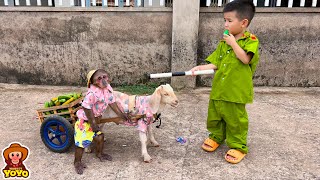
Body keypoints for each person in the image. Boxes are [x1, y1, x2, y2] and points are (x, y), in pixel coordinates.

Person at [190, 0, 259, 164]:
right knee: (216, 115)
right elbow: (217, 63)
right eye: (224, 20)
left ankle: (238, 146)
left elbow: (245, 59)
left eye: (229, 20)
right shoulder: (224, 42)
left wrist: (233, 43)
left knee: (235, 120)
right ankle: (216, 136)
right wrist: (202, 67)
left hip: (236, 92)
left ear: (243, 23)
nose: (225, 24)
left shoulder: (251, 41)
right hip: (220, 89)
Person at [74, 69, 129, 174]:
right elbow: (86, 107)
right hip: (85, 121)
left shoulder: (107, 89)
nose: (103, 80)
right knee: (81, 144)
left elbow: (112, 103)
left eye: (105, 77)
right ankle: (77, 162)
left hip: (96, 119)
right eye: (99, 78)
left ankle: (99, 154)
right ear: (93, 82)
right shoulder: (93, 93)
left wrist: (121, 115)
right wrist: (93, 123)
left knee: (100, 137)